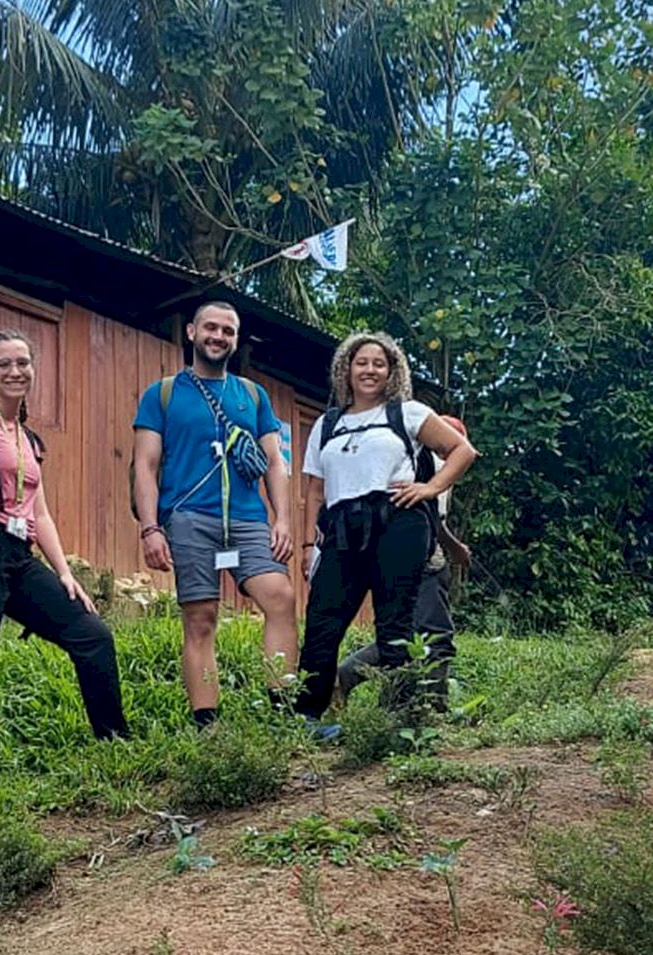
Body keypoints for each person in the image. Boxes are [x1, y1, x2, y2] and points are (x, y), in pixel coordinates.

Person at [0, 330, 129, 796]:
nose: (16, 371)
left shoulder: (27, 438)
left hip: (19, 557)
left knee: (92, 636)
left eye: (23, 363)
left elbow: (39, 514)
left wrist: (64, 574)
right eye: (4, 364)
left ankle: (118, 748)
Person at [297, 334, 478, 722]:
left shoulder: (407, 412)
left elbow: (462, 451)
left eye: (379, 364)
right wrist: (309, 545)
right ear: (346, 369)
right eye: (362, 362)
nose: (370, 370)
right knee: (322, 621)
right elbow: (314, 490)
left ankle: (401, 718)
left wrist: (429, 488)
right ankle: (307, 718)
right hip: (342, 527)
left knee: (395, 621)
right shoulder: (327, 424)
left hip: (397, 520)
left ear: (392, 371)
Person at [132, 300, 294, 729]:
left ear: (235, 340)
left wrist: (282, 518)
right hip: (188, 519)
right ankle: (208, 725)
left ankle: (283, 713)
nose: (218, 337)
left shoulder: (252, 395)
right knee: (201, 618)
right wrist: (150, 528)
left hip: (248, 518)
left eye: (228, 331)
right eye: (211, 328)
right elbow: (145, 465)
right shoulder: (163, 394)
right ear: (192, 332)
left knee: (280, 596)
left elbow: (274, 461)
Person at [337, 413, 472, 707]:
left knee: (402, 634)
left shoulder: (407, 458)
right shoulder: (436, 464)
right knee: (436, 637)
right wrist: (452, 548)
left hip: (393, 558)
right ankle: (432, 709)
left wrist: (453, 545)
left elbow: (432, 514)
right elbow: (430, 517)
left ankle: (390, 703)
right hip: (422, 561)